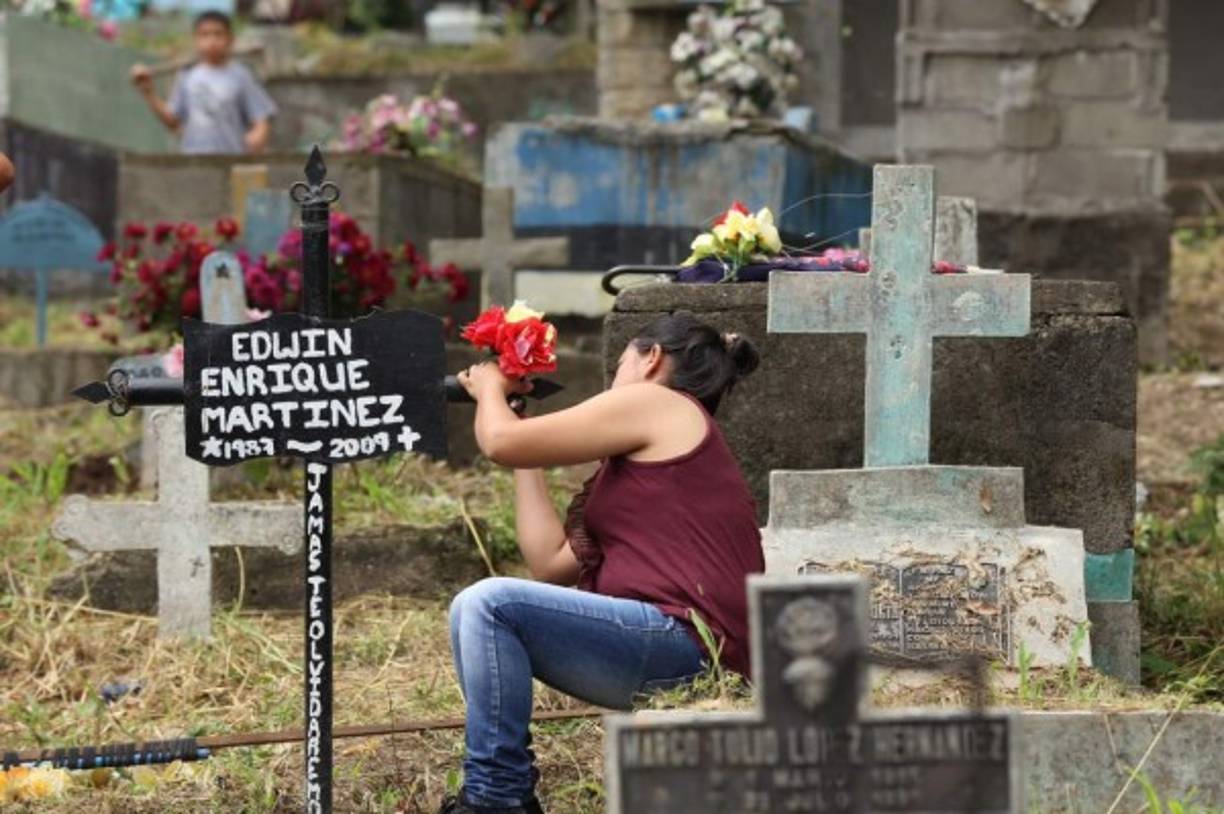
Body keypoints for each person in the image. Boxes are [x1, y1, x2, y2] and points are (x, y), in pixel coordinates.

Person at [444, 315, 764, 814]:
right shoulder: (641, 464)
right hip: (661, 646)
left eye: (618, 368)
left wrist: (488, 387)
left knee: (489, 604)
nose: (613, 383)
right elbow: (551, 564)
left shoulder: (659, 402)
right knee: (475, 609)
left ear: (651, 358)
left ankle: (496, 797)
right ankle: (503, 793)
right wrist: (519, 430)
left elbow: (497, 442)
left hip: (688, 643)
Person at [130, 11, 277, 154]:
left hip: (231, 159)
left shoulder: (240, 76)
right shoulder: (187, 75)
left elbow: (261, 116)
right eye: (205, 34)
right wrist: (149, 93)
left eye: (218, 34)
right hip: (194, 163)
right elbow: (173, 121)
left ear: (230, 39)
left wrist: (260, 133)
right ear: (196, 39)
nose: (211, 41)